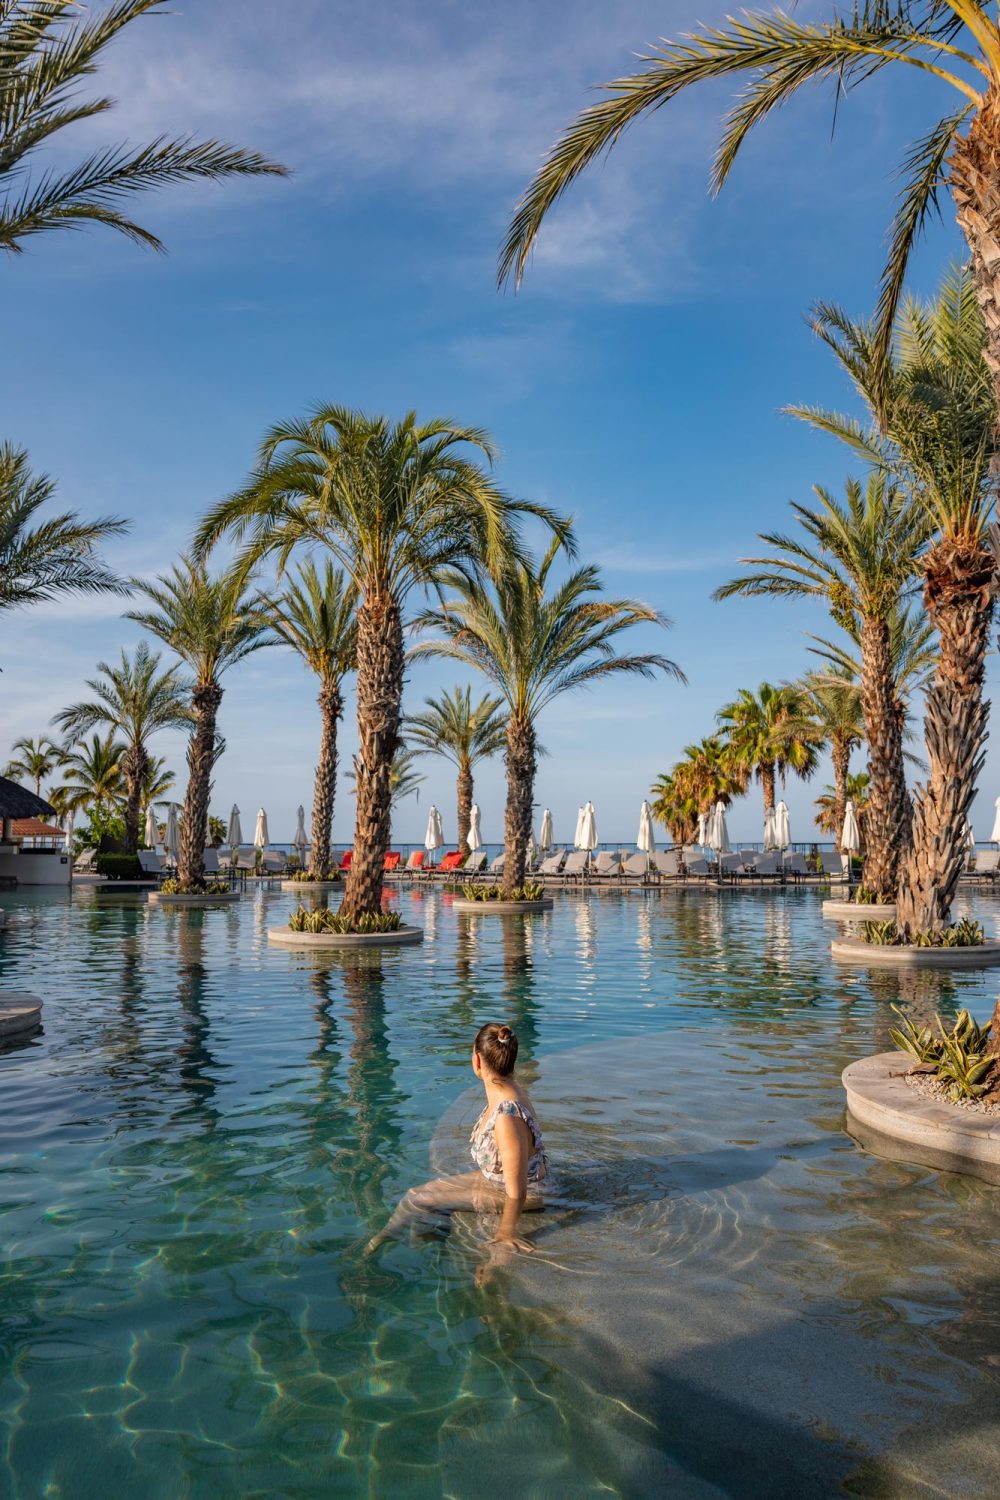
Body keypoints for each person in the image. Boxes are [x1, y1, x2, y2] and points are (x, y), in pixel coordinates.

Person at [367, 1021, 548, 1268]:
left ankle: (412, 1257)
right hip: (497, 1180)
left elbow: (517, 1192)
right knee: (414, 1195)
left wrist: (505, 1235)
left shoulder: (507, 1115)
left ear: (476, 1061)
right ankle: (402, 1244)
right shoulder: (506, 1092)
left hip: (530, 1194)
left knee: (420, 1201)